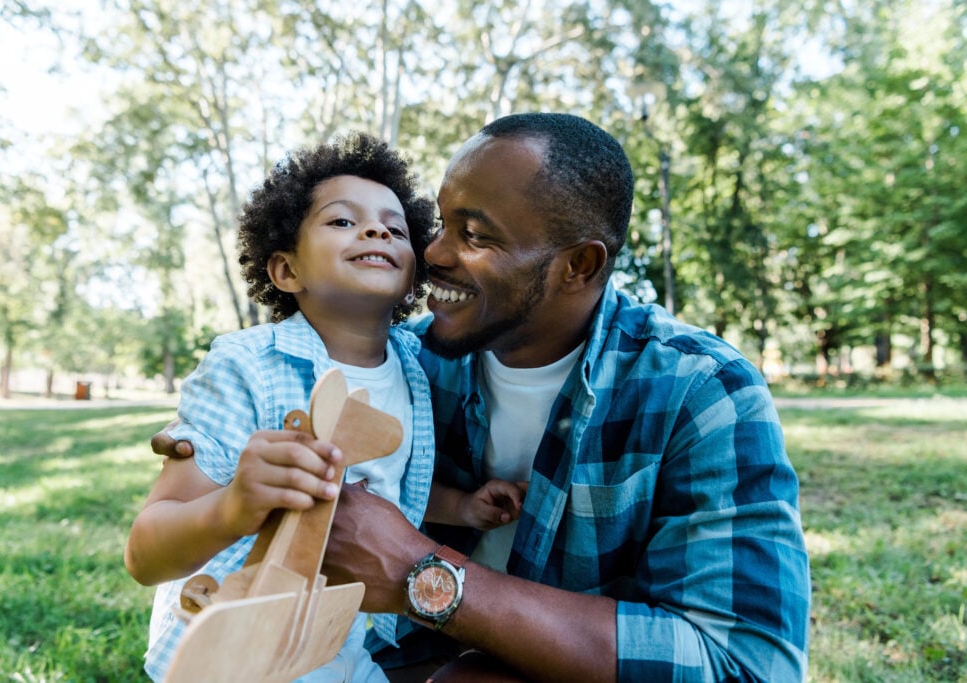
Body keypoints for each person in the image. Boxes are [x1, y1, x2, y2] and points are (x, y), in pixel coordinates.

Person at [155, 113, 811, 682]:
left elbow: (746, 664)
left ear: (578, 265)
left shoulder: (700, 391)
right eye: (440, 222)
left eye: (475, 235)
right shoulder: (403, 364)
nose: (431, 251)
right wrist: (208, 441)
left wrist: (424, 572)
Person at [126, 132, 526, 683]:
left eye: (396, 226)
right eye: (342, 221)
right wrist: (236, 505)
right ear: (287, 272)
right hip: (230, 641)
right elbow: (145, 554)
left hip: (333, 639)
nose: (377, 230)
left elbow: (380, 484)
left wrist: (461, 508)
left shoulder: (418, 363)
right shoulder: (246, 366)